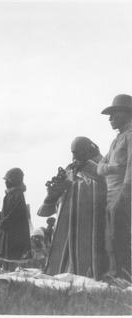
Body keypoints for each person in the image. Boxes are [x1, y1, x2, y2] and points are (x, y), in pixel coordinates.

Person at [38, 137, 107, 280]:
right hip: (65, 223)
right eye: (73, 152)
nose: (75, 156)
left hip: (89, 223)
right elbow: (47, 209)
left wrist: (73, 186)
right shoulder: (70, 169)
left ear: (88, 151)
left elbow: (103, 189)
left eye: (79, 152)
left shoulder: (99, 168)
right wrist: (52, 194)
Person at [97, 94, 132, 282]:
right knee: (110, 235)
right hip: (111, 194)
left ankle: (124, 275)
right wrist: (112, 168)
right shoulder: (116, 140)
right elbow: (99, 167)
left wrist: (125, 194)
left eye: (114, 114)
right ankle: (114, 273)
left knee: (120, 235)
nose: (110, 119)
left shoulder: (130, 137)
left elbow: (131, 168)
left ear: (127, 114)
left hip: (123, 192)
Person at [0, 168, 31, 269]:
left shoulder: (18, 195)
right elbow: (6, 210)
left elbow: (14, 213)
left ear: (13, 181)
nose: (6, 182)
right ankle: (6, 272)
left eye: (7, 180)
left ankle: (10, 275)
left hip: (14, 233)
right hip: (8, 230)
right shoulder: (11, 194)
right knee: (6, 256)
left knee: (12, 257)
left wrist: (2, 223)